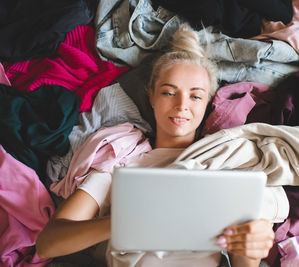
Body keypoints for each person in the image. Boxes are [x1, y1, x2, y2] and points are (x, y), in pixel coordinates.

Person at [36, 24, 275, 267]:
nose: (182, 105)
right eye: (169, 93)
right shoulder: (122, 159)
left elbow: (242, 260)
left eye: (195, 96)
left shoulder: (224, 167)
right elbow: (48, 243)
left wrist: (252, 248)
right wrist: (123, 222)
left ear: (208, 103)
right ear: (150, 96)